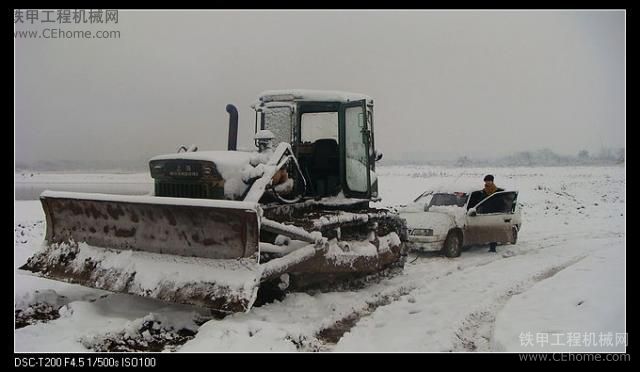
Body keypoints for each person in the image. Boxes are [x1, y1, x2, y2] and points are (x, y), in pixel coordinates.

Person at [482, 175, 504, 253]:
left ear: (492, 181)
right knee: (488, 230)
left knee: (493, 230)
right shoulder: (483, 191)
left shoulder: (497, 191)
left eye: (489, 181)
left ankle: (493, 247)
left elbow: (501, 203)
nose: (487, 182)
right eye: (486, 181)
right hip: (485, 213)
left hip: (495, 213)